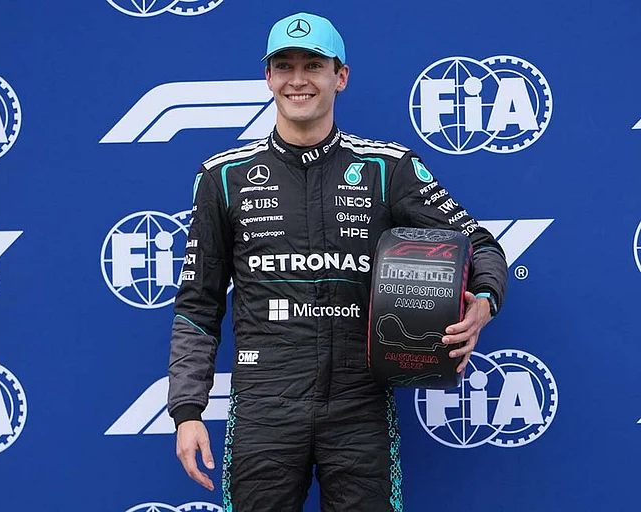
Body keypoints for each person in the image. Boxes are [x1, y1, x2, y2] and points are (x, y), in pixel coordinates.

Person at [168, 12, 507, 512]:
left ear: (340, 77)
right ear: (268, 78)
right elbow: (197, 305)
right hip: (265, 403)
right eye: (284, 66)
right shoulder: (224, 178)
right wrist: (187, 411)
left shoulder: (387, 168)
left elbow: (479, 245)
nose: (298, 79)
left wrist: (483, 301)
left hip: (359, 403)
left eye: (314, 65)